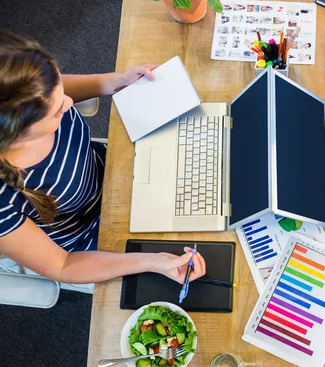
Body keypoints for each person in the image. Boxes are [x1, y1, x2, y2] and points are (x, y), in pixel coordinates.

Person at [0, 30, 206, 284]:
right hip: (94, 240)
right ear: (15, 131)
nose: (69, 102)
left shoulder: (31, 94)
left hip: (112, 172)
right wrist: (152, 261)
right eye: (55, 112)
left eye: (60, 89)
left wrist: (120, 81)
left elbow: (54, 89)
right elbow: (63, 265)